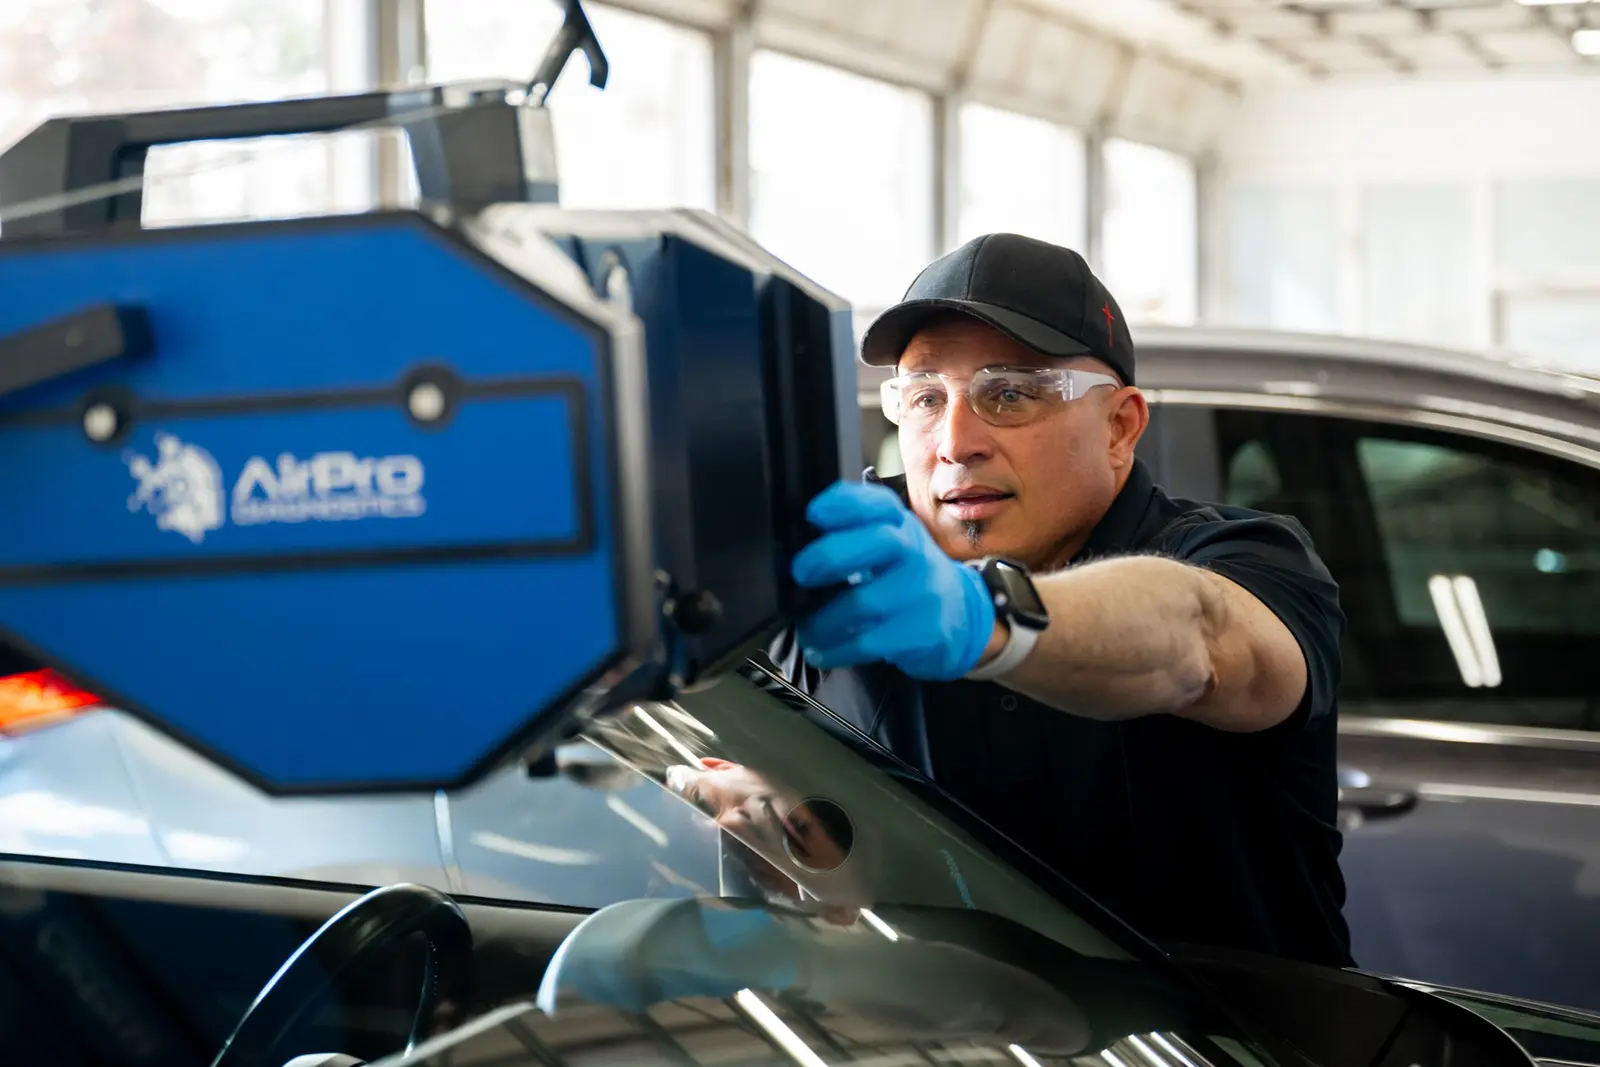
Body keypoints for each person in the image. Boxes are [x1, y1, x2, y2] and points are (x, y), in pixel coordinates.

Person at [770, 232, 1352, 968]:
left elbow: (1197, 634)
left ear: (1120, 426)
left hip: (1229, 1030)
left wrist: (986, 616)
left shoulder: (1252, 558)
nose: (954, 442)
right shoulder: (839, 570)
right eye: (925, 398)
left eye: (1008, 394)